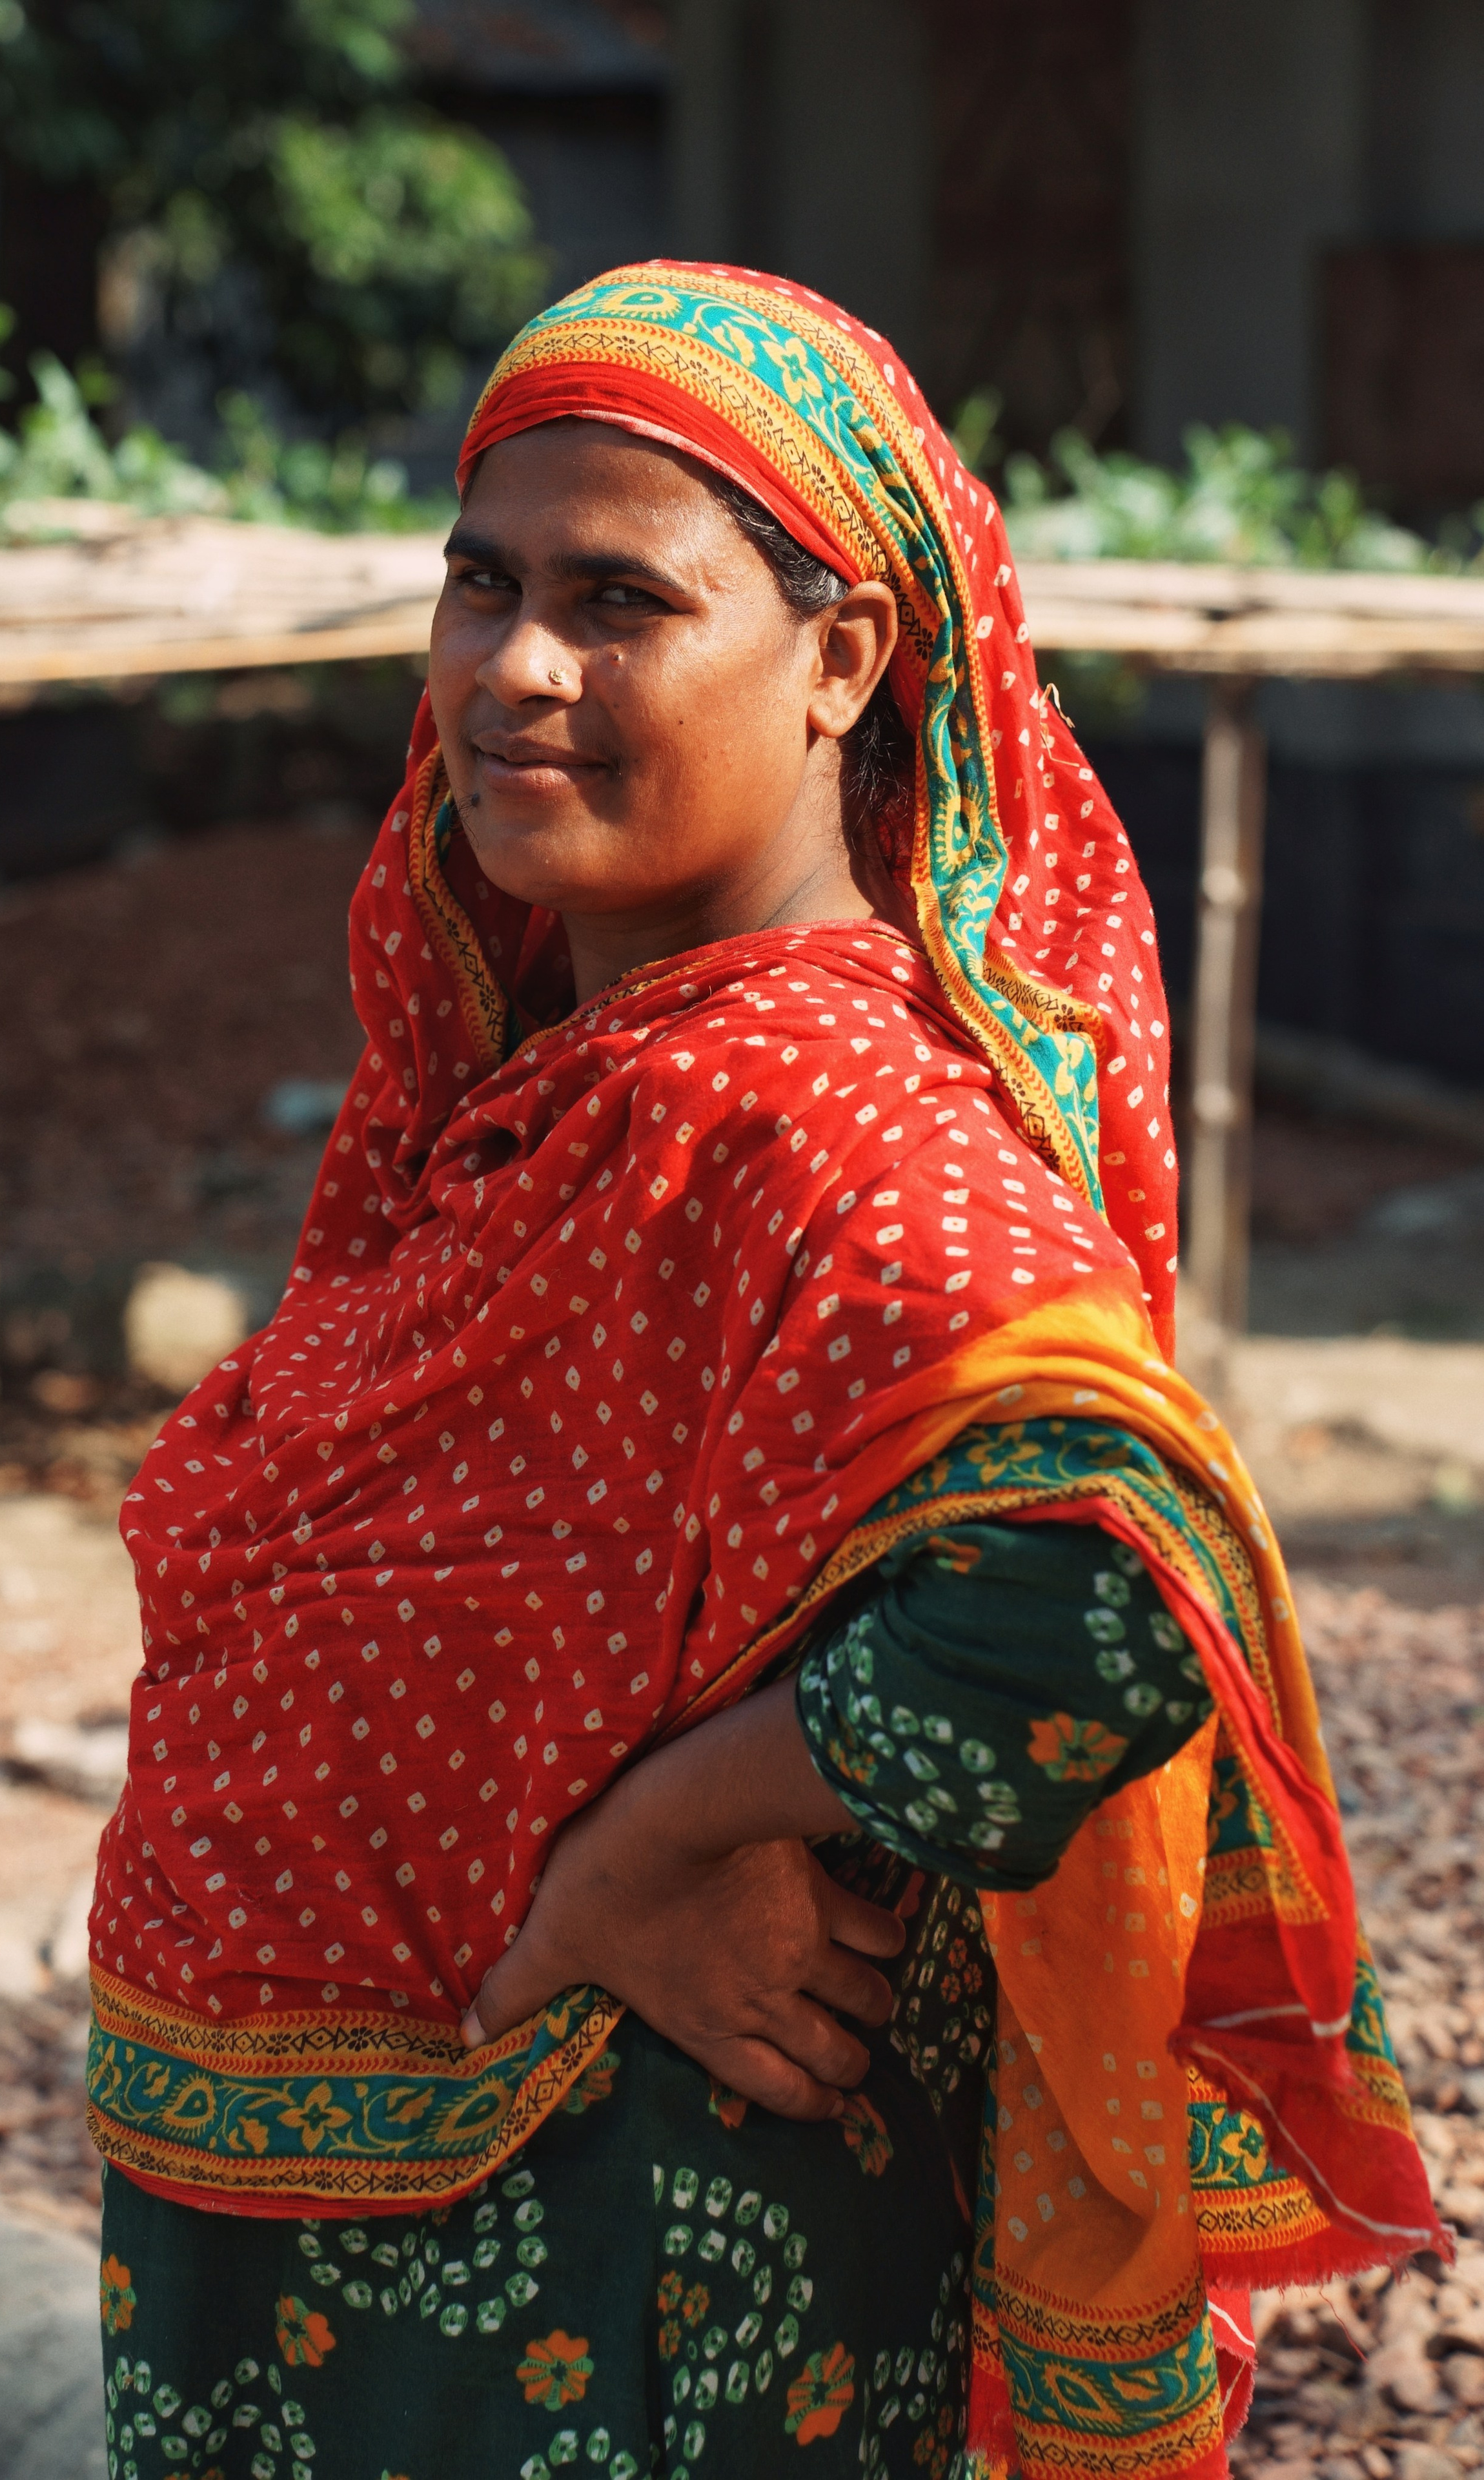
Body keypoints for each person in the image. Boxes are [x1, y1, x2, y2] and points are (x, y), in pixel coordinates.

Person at [86, 265, 1441, 2480]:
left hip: (596, 2287)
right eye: (483, 581)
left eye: (623, 597)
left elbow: (1105, 1577)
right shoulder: (551, 1095)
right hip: (361, 2274)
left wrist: (656, 1837)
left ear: (841, 661)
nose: (518, 666)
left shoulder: (819, 1110)